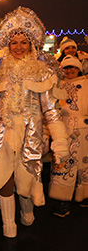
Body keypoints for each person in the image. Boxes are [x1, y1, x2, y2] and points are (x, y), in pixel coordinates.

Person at [0, 7, 70, 241]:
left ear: (32, 44)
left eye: (23, 42)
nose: (18, 47)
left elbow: (51, 111)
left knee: (26, 181)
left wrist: (60, 142)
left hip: (30, 136)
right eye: (14, 42)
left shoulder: (42, 72)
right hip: (1, 134)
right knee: (4, 179)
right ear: (8, 45)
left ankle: (27, 210)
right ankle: (8, 226)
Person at [50, 55, 88, 216]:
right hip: (64, 129)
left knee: (84, 163)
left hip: (85, 131)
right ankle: (62, 199)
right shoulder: (57, 85)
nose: (70, 70)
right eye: (66, 68)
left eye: (72, 67)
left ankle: (84, 194)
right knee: (64, 162)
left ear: (78, 68)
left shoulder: (86, 83)